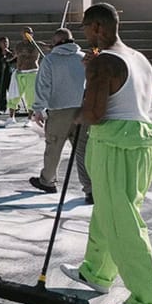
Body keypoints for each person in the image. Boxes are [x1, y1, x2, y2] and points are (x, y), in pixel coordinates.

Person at [60, 2, 152, 304]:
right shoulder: (138, 58)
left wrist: (69, 118)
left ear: (97, 28)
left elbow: (94, 114)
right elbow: (129, 99)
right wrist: (90, 72)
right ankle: (96, 272)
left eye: (84, 28)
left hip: (114, 145)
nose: (83, 34)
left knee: (123, 223)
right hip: (141, 144)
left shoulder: (103, 63)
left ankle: (147, 302)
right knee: (109, 210)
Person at [29, 28, 92, 202]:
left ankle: (48, 181)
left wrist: (38, 109)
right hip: (82, 111)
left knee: (53, 149)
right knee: (83, 151)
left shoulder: (50, 60)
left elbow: (42, 86)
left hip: (59, 112)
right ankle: (90, 188)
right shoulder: (84, 58)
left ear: (55, 43)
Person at [12, 28, 42, 118]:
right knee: (14, 95)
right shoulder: (18, 46)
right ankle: (11, 117)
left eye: (29, 33)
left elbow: (48, 46)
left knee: (31, 97)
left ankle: (29, 118)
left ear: (32, 34)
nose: (26, 34)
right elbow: (13, 56)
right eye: (24, 32)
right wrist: (6, 58)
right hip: (20, 72)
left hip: (32, 72)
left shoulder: (37, 45)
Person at [0, 37, 16, 123]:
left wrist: (8, 55)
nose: (6, 44)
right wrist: (2, 58)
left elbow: (15, 60)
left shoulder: (12, 52)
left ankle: (15, 106)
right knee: (1, 92)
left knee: (12, 91)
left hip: (9, 75)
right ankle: (2, 107)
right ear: (0, 43)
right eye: (4, 43)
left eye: (7, 42)